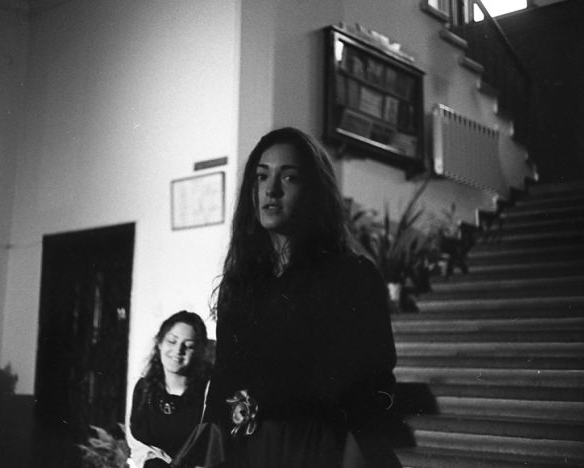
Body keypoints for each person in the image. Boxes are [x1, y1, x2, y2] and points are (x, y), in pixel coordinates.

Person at [202, 127, 401, 467]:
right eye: (261, 177)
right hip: (246, 451)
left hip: (319, 449)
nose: (271, 190)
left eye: (289, 177)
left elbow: (372, 389)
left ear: (313, 191)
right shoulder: (240, 284)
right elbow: (223, 381)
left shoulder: (352, 276)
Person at [129, 311, 211, 468]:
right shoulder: (142, 389)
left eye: (188, 346)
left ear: (199, 352)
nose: (178, 350)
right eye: (172, 341)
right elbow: (136, 445)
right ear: (160, 343)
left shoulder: (207, 394)